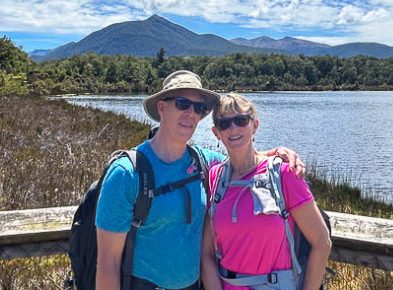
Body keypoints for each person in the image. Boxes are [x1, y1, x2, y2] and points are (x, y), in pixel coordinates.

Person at [95, 71, 305, 290]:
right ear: (162, 108)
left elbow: (244, 160)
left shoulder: (205, 162)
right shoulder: (127, 174)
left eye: (199, 108)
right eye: (183, 103)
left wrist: (275, 153)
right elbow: (108, 265)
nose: (191, 113)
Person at [201, 93, 331, 290]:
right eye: (224, 124)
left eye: (241, 120)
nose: (233, 128)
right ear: (216, 132)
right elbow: (207, 253)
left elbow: (322, 242)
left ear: (255, 125)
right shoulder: (216, 178)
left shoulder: (284, 174)